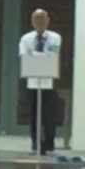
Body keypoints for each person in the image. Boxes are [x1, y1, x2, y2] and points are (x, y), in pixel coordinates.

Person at [18, 9, 62, 155]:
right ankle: (35, 143)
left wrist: (34, 54)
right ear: (32, 21)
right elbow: (24, 56)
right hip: (31, 78)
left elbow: (52, 54)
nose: (40, 22)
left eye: (42, 18)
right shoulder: (26, 38)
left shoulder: (55, 37)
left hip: (49, 78)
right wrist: (39, 56)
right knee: (33, 113)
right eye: (36, 19)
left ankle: (49, 143)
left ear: (48, 20)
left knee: (49, 113)